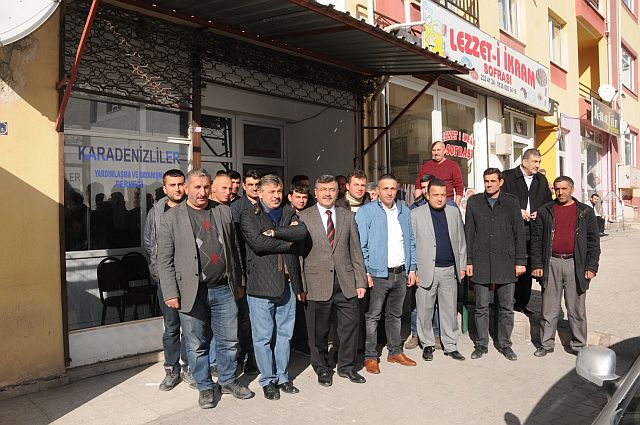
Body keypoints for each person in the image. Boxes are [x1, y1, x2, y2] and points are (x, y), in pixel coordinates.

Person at [157, 169, 253, 409]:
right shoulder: (171, 218)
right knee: (196, 344)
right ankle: (205, 387)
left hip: (224, 288)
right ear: (187, 188)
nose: (202, 192)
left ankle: (228, 380)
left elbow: (235, 250)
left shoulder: (222, 211)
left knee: (228, 340)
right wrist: (170, 292)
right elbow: (164, 260)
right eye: (197, 187)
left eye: (206, 187)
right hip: (191, 292)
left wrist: (239, 282)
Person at [240, 175, 308, 400]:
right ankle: (268, 380)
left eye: (279, 191)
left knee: (285, 335)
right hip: (261, 285)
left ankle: (283, 376)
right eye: (272, 192)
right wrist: (288, 242)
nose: (277, 196)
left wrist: (276, 232)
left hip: (288, 284)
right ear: (259, 193)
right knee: (263, 337)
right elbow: (258, 244)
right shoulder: (249, 214)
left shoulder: (288, 211)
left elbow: (301, 233)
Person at [299, 175, 368, 387]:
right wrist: (301, 285)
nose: (328, 193)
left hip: (345, 282)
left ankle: (346, 366)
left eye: (331, 189)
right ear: (316, 192)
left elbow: (356, 251)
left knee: (349, 327)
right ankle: (322, 367)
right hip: (316, 283)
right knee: (318, 331)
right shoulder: (304, 216)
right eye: (323, 189)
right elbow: (299, 255)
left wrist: (360, 281)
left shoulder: (347, 217)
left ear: (338, 192)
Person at [531, 176, 601, 356]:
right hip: (551, 262)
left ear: (572, 189)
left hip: (575, 264)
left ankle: (579, 345)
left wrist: (591, 267)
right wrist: (537, 264)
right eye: (557, 189)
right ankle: (546, 344)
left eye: (564, 189)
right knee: (549, 308)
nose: (560, 192)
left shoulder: (584, 212)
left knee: (576, 309)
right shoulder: (546, 210)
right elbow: (536, 240)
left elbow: (593, 242)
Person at [356, 174, 417, 374]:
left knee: (395, 315)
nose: (389, 192)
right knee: (373, 316)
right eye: (385, 189)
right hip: (378, 274)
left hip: (400, 272)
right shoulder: (366, 212)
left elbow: (410, 241)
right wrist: (366, 271)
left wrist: (412, 268)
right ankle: (370, 356)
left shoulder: (404, 211)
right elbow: (361, 245)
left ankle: (395, 352)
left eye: (392, 188)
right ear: (378, 191)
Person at [465, 168, 526, 361]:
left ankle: (505, 344)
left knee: (506, 307)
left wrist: (520, 261)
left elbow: (519, 233)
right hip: (481, 261)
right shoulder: (474, 202)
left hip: (506, 261)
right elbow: (469, 233)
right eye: (486, 181)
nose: (489, 184)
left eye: (493, 181)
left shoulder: (511, 202)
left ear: (501, 182)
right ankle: (482, 343)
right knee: (481, 306)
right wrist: (468, 261)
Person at [143, 169, 194, 391]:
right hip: (166, 280)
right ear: (165, 188)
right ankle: (172, 370)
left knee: (191, 326)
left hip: (189, 279)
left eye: (181, 184)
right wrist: (160, 273)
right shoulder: (156, 213)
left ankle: (190, 368)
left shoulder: (192, 208)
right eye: (172, 185)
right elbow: (149, 244)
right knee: (172, 327)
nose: (177, 189)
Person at [411, 178, 467, 362]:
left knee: (449, 310)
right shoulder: (416, 214)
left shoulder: (453, 212)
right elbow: (412, 244)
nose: (440, 198)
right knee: (425, 310)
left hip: (449, 270)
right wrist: (413, 270)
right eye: (435, 195)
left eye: (443, 195)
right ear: (427, 195)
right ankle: (427, 344)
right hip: (426, 270)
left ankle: (450, 345)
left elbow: (461, 241)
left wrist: (462, 266)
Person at [502, 148, 552, 316]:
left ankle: (522, 303)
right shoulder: (508, 177)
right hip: (511, 230)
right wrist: (517, 210)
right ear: (524, 162)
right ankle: (506, 302)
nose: (538, 165)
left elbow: (548, 202)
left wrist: (540, 211)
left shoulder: (541, 180)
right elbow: (500, 200)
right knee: (511, 265)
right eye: (535, 162)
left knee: (528, 267)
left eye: (539, 162)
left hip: (533, 229)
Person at [229, 169, 261, 376]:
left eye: (258, 185)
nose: (255, 189)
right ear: (244, 186)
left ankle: (256, 356)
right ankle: (245, 356)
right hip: (245, 269)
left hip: (264, 269)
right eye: (251, 185)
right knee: (244, 319)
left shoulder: (267, 204)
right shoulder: (237, 207)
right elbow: (235, 243)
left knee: (259, 320)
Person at [406, 173, 439, 351]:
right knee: (417, 302)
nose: (426, 191)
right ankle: (415, 334)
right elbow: (411, 238)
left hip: (437, 261)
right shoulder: (413, 208)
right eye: (423, 188)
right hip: (419, 261)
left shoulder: (442, 206)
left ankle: (436, 334)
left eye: (428, 187)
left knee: (436, 302)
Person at [415, 141, 464, 206]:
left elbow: (459, 188)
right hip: (429, 202)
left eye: (438, 150)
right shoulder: (426, 166)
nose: (436, 153)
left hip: (447, 202)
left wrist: (456, 206)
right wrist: (418, 204)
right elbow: (418, 186)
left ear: (444, 151)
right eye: (434, 150)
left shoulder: (453, 166)